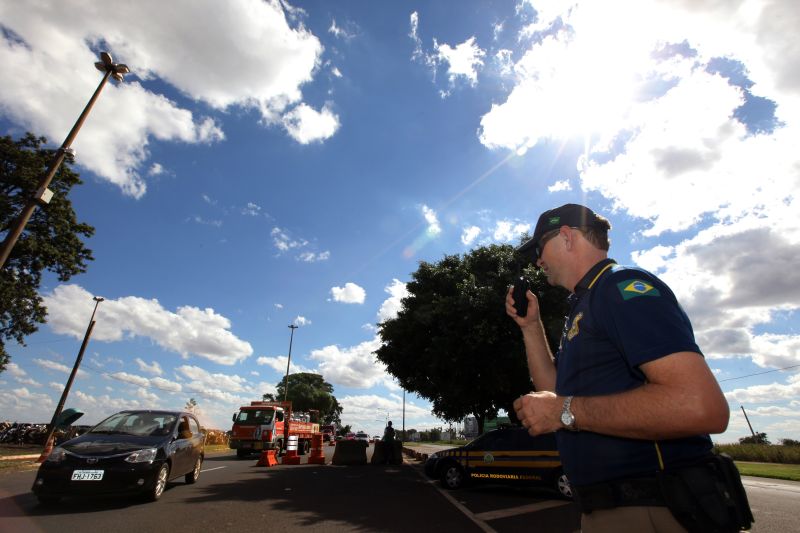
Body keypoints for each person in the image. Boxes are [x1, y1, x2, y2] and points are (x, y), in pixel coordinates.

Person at [506, 203, 741, 532]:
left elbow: (700, 407)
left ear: (566, 236)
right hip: (611, 509)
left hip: (650, 509)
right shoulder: (586, 303)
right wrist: (530, 327)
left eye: (539, 249)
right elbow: (557, 391)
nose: (538, 261)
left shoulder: (620, 287)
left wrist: (563, 411)